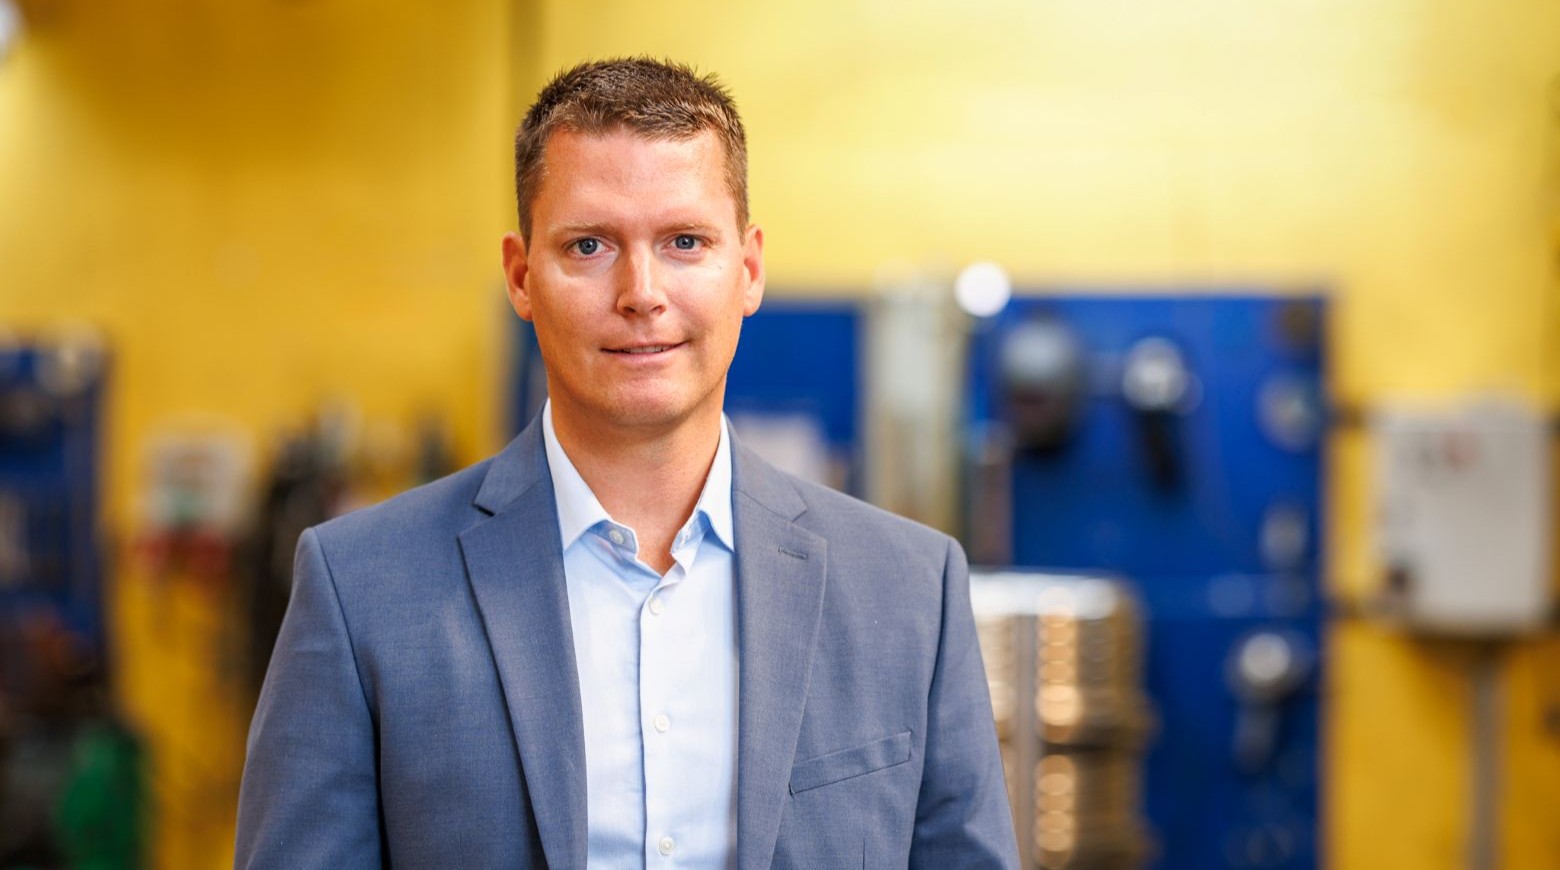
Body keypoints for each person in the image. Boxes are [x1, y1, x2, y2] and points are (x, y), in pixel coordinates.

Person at [235, 57, 1017, 869]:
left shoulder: (908, 592)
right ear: (521, 277)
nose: (641, 292)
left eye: (685, 242)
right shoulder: (360, 591)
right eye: (589, 245)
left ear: (748, 270)